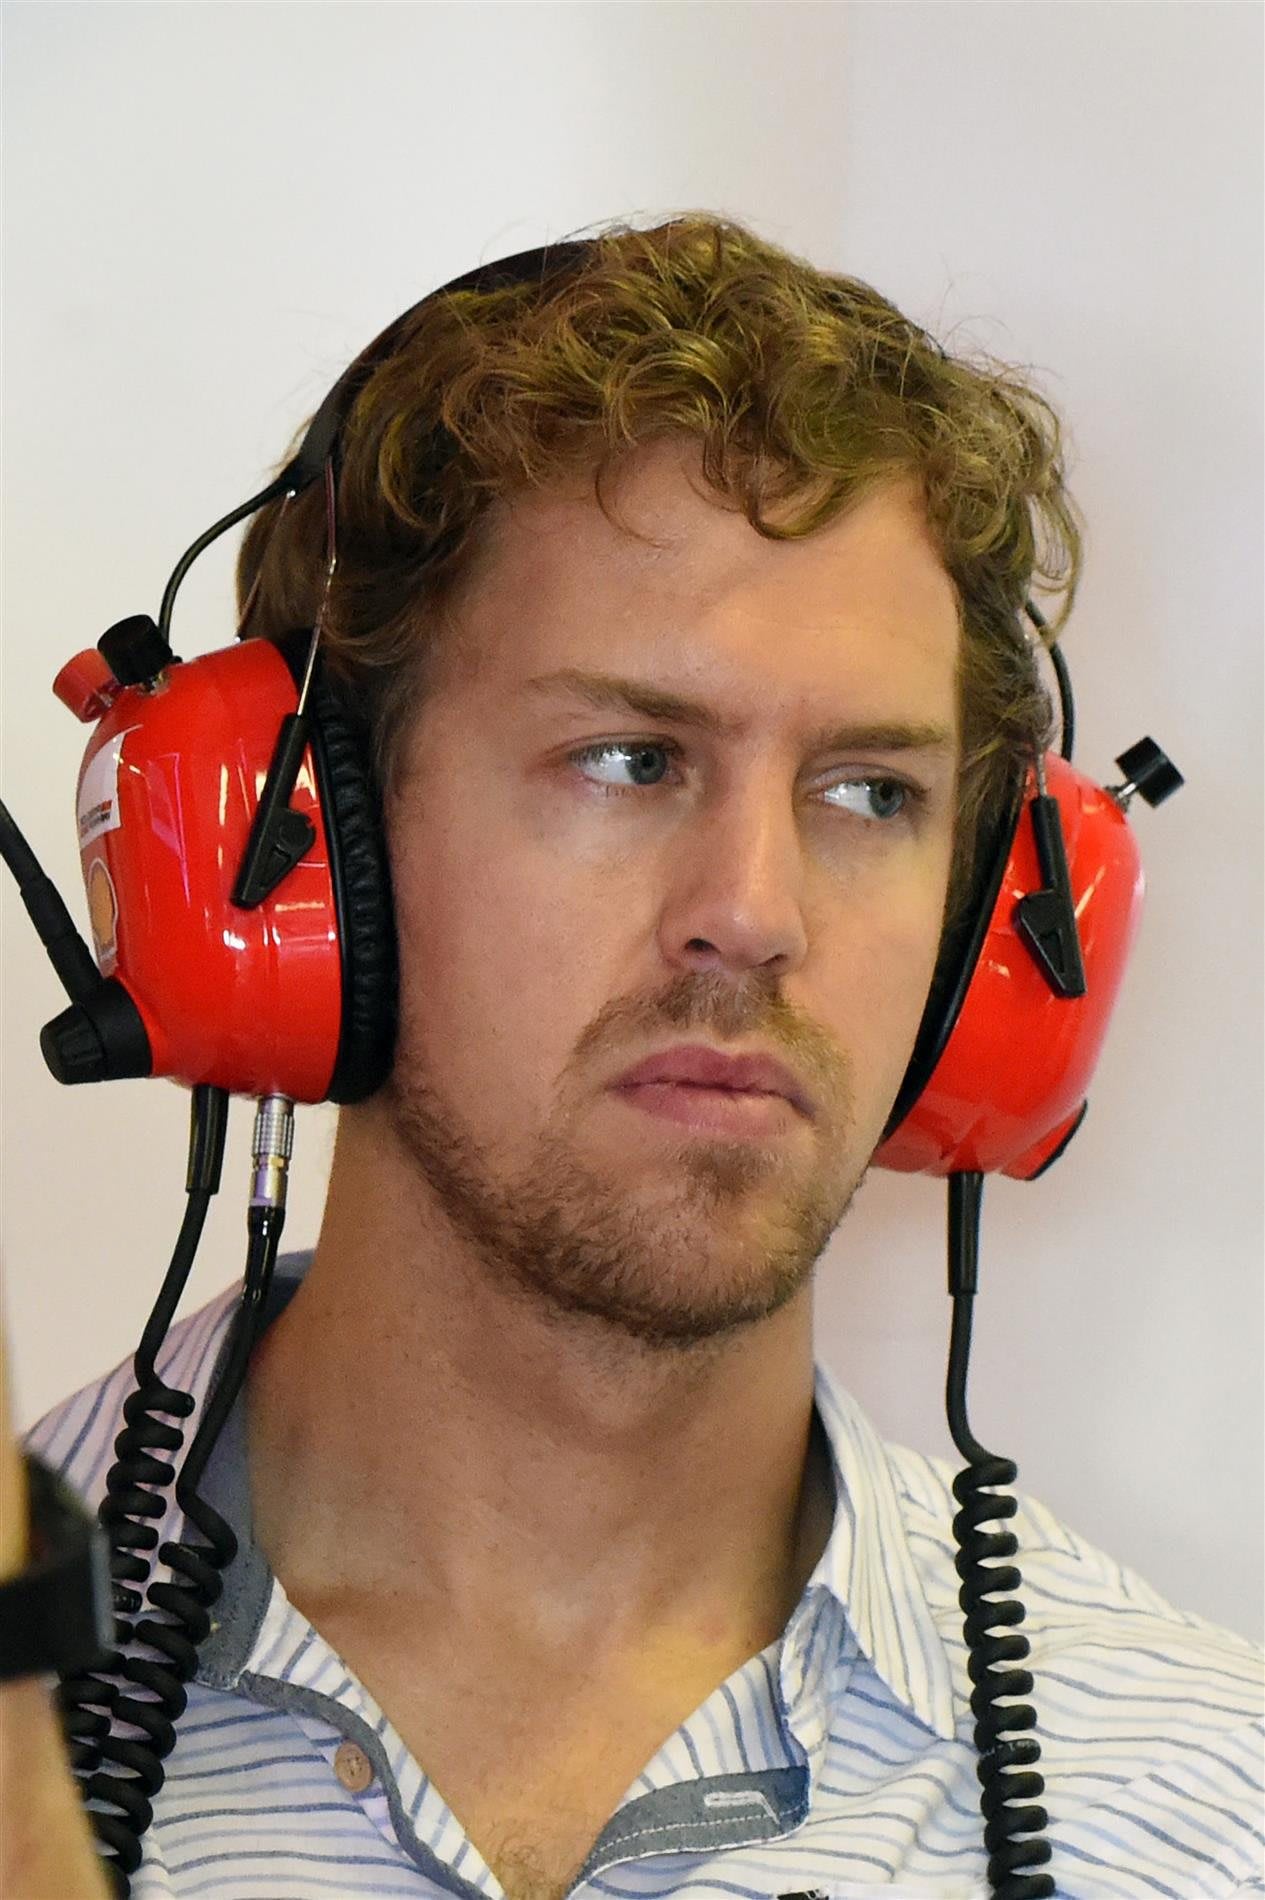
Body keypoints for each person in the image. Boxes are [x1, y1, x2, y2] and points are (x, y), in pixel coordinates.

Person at [3, 215, 1261, 1900]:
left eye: (871, 793)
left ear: (994, 928)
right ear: (311, 842)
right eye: (625, 759)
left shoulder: (1194, 1807)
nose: (752, 914)